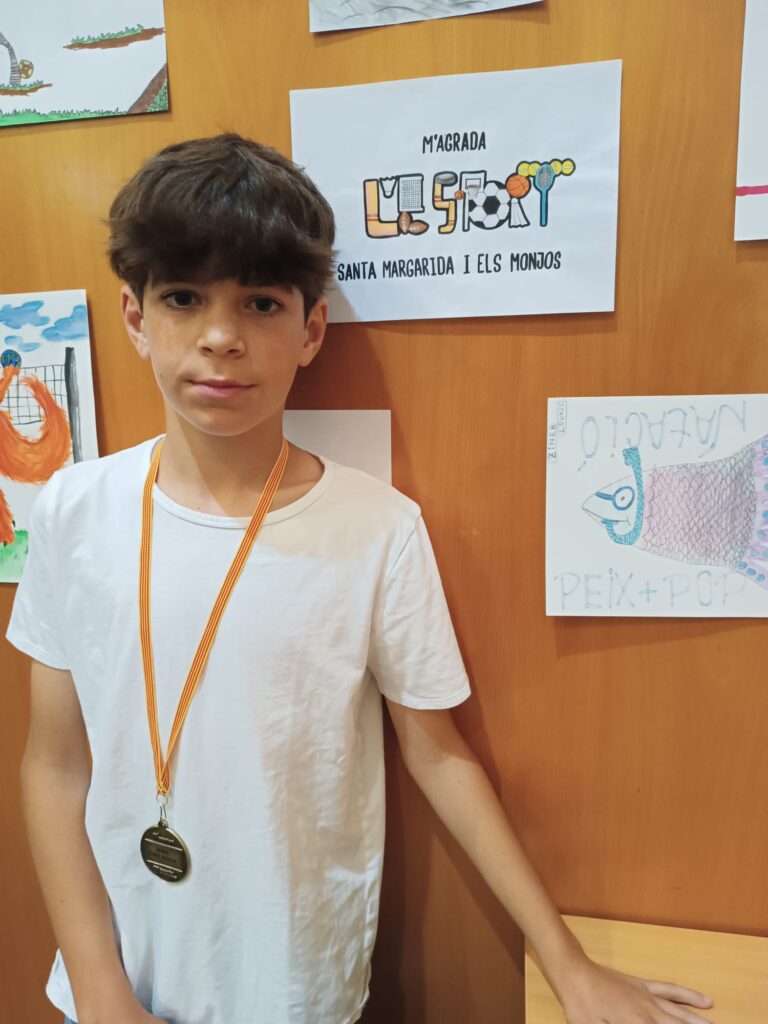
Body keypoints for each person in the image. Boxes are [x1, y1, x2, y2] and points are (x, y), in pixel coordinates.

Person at [7, 134, 714, 1024]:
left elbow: (439, 754)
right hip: (114, 988)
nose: (221, 336)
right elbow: (53, 766)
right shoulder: (73, 509)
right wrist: (101, 989)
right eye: (183, 297)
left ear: (311, 331)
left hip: (299, 988)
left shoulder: (378, 528)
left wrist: (566, 963)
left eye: (260, 303)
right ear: (136, 317)